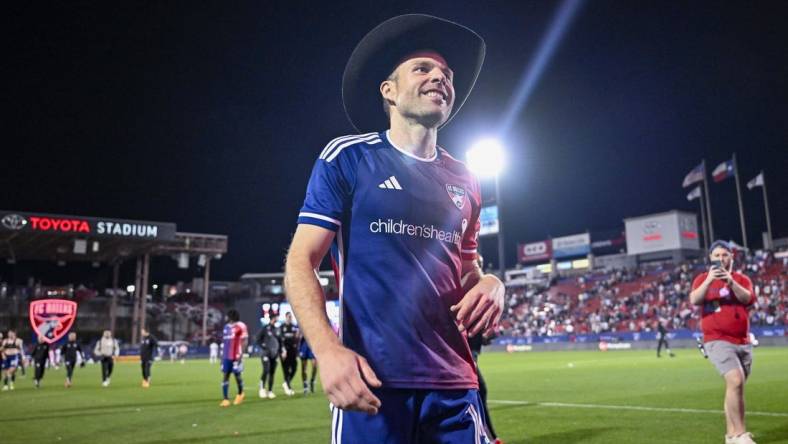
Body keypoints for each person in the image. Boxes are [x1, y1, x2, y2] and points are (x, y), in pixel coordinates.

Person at [284, 14, 503, 442]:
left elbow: (466, 271)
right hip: (375, 387)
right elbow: (299, 261)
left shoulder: (467, 180)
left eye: (446, 73)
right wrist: (327, 351)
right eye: (423, 68)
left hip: (457, 388)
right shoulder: (348, 158)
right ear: (389, 91)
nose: (439, 76)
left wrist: (492, 282)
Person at [690, 240, 756, 444]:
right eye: (716, 255)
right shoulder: (702, 279)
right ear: (710, 258)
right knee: (735, 380)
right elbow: (694, 299)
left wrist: (730, 281)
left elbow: (748, 299)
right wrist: (709, 280)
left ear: (732, 257)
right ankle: (740, 434)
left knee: (736, 386)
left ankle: (731, 435)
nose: (721, 259)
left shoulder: (742, 279)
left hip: (742, 340)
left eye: (724, 255)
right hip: (716, 339)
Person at [220, 309, 248, 407]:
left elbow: (244, 341)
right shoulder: (226, 327)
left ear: (231, 317)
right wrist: (222, 356)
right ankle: (225, 399)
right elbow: (225, 342)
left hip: (236, 356)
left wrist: (241, 354)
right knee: (225, 375)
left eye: (227, 315)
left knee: (237, 376)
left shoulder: (241, 326)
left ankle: (240, 394)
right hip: (226, 356)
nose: (226, 317)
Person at [280, 312, 299, 396]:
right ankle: (288, 387)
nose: (290, 318)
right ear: (286, 317)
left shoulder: (294, 327)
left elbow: (296, 338)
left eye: (291, 317)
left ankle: (286, 383)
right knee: (286, 370)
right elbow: (280, 340)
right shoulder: (282, 327)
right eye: (289, 316)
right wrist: (282, 350)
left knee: (294, 368)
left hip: (293, 351)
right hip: (284, 351)